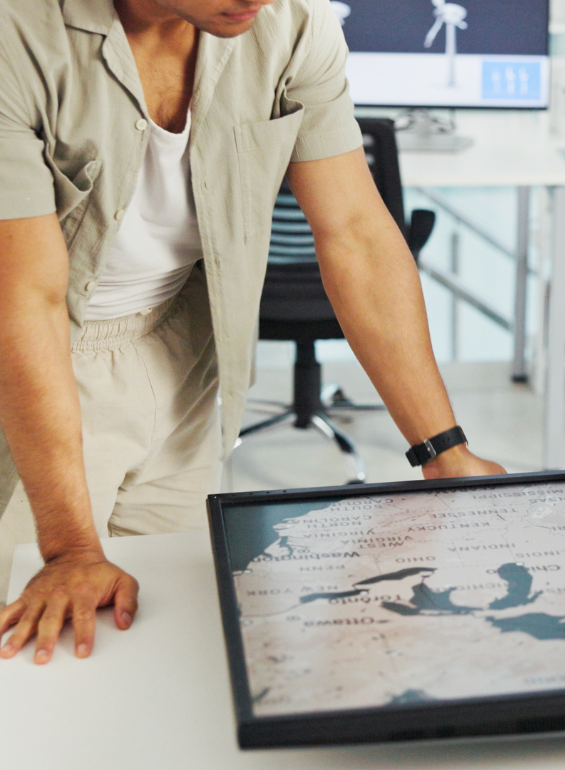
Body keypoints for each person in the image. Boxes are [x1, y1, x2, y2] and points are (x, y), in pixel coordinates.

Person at [0, 0, 505, 664]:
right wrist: (70, 548)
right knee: (41, 652)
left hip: (182, 350)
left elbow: (355, 234)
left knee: (172, 637)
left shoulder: (291, 21)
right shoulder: (17, 34)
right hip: (38, 366)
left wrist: (444, 450)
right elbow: (24, 301)